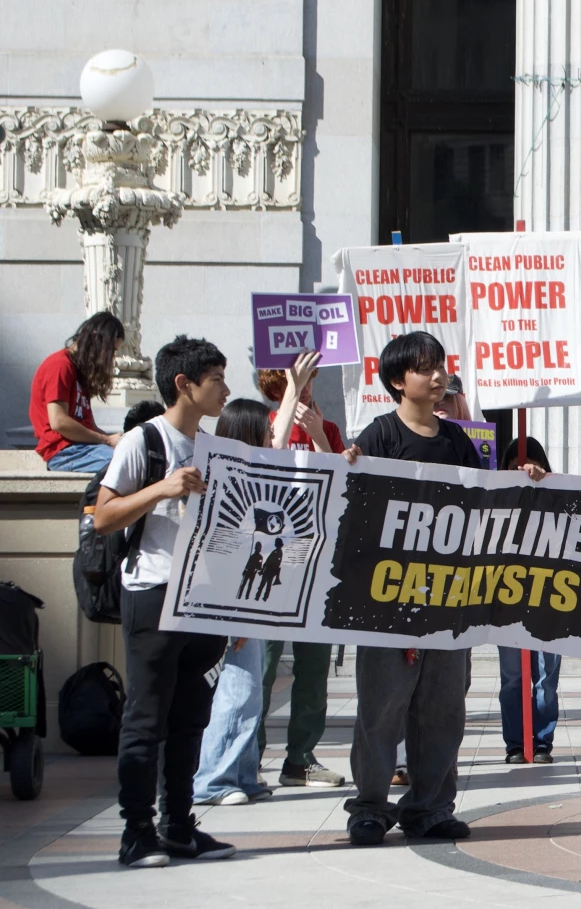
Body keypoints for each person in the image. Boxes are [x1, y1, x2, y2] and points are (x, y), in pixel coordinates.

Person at [338, 331, 545, 846]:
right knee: (382, 709)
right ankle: (369, 807)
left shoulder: (458, 441)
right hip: (386, 603)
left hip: (451, 600)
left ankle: (430, 807)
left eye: (441, 366)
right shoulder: (379, 436)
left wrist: (526, 479)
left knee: (444, 711)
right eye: (425, 368)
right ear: (396, 381)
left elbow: (488, 505)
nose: (438, 377)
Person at [92, 334, 236, 868]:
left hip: (206, 599)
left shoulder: (214, 446)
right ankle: (136, 832)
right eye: (217, 378)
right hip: (153, 593)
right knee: (146, 718)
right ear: (185, 384)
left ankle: (178, 823)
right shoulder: (143, 442)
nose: (225, 389)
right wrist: (162, 490)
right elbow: (104, 517)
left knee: (191, 717)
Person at [193, 390, 308, 808]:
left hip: (250, 601)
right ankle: (215, 780)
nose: (272, 440)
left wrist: (294, 389)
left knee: (251, 692)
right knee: (236, 691)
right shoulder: (225, 481)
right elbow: (216, 550)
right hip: (229, 602)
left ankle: (242, 774)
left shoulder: (250, 473)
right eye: (264, 432)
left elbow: (279, 443)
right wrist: (235, 613)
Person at [256, 364, 347, 788]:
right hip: (271, 558)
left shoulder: (325, 425)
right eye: (299, 380)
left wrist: (320, 437)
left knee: (314, 664)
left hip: (317, 557)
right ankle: (248, 753)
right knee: (264, 661)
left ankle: (300, 757)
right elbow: (261, 473)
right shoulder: (263, 425)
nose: (308, 387)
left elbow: (344, 483)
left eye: (311, 379)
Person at [497, 436, 563, 766]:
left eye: (528, 466)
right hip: (507, 602)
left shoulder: (557, 496)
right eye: (514, 468)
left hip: (550, 600)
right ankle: (515, 742)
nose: (521, 472)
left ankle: (541, 741)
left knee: (546, 677)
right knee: (512, 677)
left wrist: (543, 487)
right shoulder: (495, 497)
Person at [30, 311, 126, 473]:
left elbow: (90, 427)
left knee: (136, 457)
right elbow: (59, 422)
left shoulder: (79, 371)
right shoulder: (59, 365)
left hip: (83, 449)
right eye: (111, 350)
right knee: (128, 464)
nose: (111, 358)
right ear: (96, 339)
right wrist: (107, 440)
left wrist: (121, 441)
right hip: (65, 452)